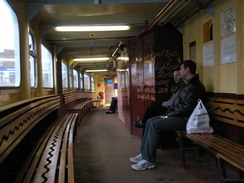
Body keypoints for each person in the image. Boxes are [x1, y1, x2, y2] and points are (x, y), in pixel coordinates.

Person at [130, 60, 207, 171]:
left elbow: (187, 108)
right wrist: (168, 114)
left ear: (187, 70)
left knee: (155, 124)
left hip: (188, 119)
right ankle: (143, 154)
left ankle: (148, 160)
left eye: (181, 69)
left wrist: (169, 115)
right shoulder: (186, 84)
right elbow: (177, 103)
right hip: (179, 116)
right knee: (150, 121)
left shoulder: (195, 86)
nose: (179, 72)